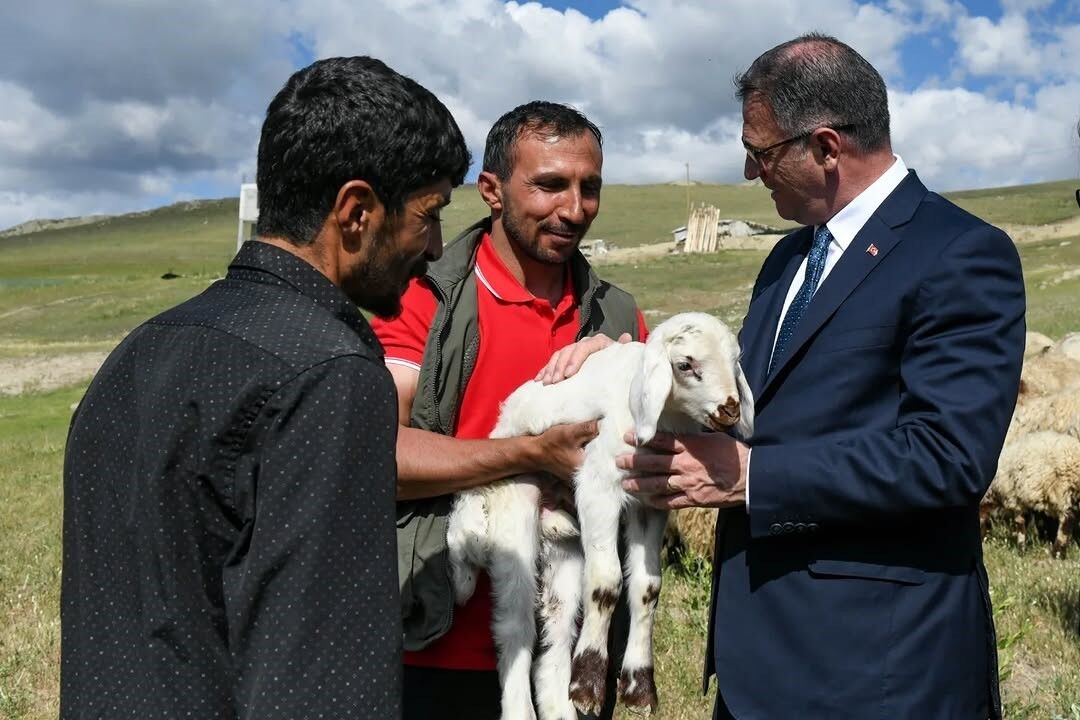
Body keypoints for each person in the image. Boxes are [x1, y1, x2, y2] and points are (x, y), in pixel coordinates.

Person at [544, 33, 1026, 719]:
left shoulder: (959, 253)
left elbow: (948, 457)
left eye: (760, 152)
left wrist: (752, 479)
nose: (748, 172)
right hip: (758, 665)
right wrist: (628, 361)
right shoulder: (786, 261)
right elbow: (743, 408)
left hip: (880, 672)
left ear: (827, 148)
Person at [60, 56, 470, 720]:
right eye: (429, 215)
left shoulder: (141, 349)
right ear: (357, 211)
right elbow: (324, 687)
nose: (435, 246)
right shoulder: (329, 374)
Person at [371, 101, 648, 720]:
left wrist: (627, 373)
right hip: (435, 646)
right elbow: (376, 454)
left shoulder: (620, 318)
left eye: (589, 187)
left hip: (574, 659)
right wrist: (526, 455)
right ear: (491, 191)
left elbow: (660, 472)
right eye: (549, 185)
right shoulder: (422, 301)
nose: (573, 209)